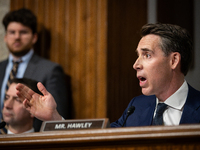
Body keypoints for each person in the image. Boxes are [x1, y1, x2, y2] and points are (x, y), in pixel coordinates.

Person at [16, 23, 200, 126]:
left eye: (147, 55)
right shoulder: (136, 107)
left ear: (174, 60)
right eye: (138, 56)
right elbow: (99, 142)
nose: (136, 64)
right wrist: (55, 119)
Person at [0, 8, 69, 131]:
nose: (17, 37)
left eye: (23, 32)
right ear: (5, 37)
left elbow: (57, 113)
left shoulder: (50, 70)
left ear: (34, 37)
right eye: (12, 32)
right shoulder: (1, 67)